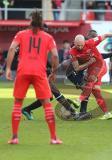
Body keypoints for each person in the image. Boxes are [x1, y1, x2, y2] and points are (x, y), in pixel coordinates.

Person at [5, 10, 62, 144]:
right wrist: (54, 72)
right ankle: (53, 138)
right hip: (39, 73)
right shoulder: (48, 37)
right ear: (41, 23)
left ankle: (14, 137)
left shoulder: (21, 34)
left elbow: (12, 49)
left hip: (23, 71)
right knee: (47, 105)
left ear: (30, 22)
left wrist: (8, 68)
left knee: (17, 104)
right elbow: (55, 56)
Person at [70, 32, 112, 120]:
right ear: (74, 43)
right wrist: (89, 63)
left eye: (81, 45)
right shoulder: (72, 51)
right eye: (78, 46)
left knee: (91, 79)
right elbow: (76, 68)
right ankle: (107, 113)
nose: (80, 47)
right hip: (92, 67)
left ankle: (78, 100)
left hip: (100, 65)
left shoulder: (91, 42)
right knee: (96, 91)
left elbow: (106, 35)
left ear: (85, 42)